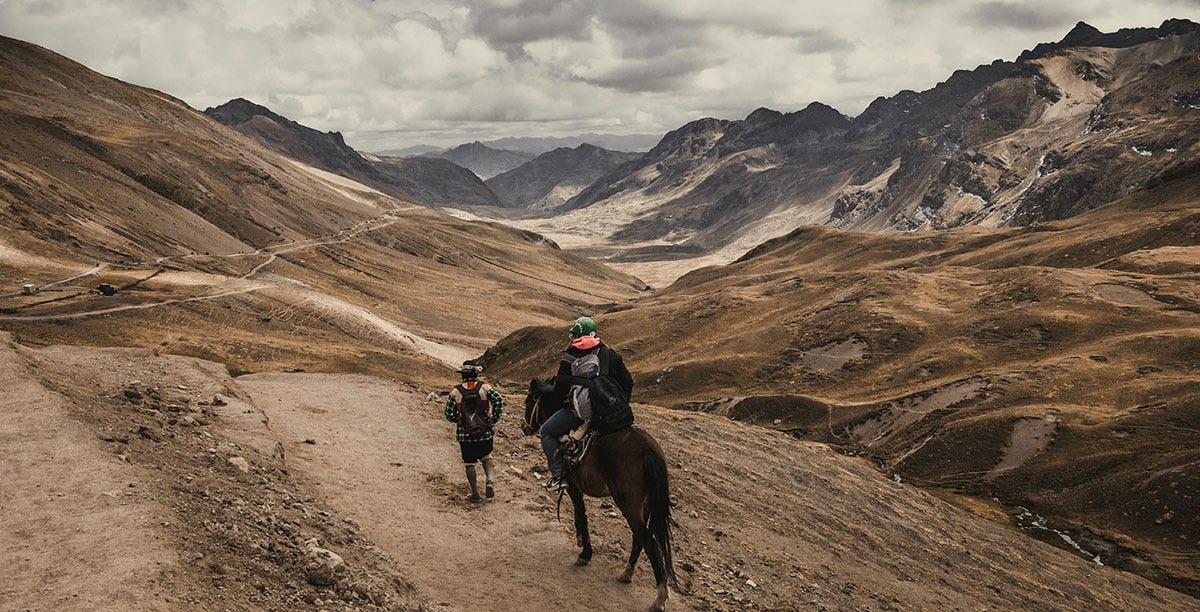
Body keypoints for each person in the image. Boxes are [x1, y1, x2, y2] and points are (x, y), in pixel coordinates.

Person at [541, 316, 633, 492]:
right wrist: (619, 405)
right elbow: (627, 382)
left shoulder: (569, 357)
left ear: (576, 335)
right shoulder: (609, 354)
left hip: (581, 415)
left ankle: (559, 476)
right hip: (610, 413)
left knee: (546, 431)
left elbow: (560, 392)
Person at [444, 361, 504, 502]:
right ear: (476, 373)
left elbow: (448, 414)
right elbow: (498, 401)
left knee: (469, 463)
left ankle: (475, 493)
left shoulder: (455, 391)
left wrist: (460, 421)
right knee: (486, 456)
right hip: (485, 431)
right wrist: (493, 420)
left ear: (463, 375)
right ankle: (489, 480)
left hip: (465, 434)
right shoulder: (485, 387)